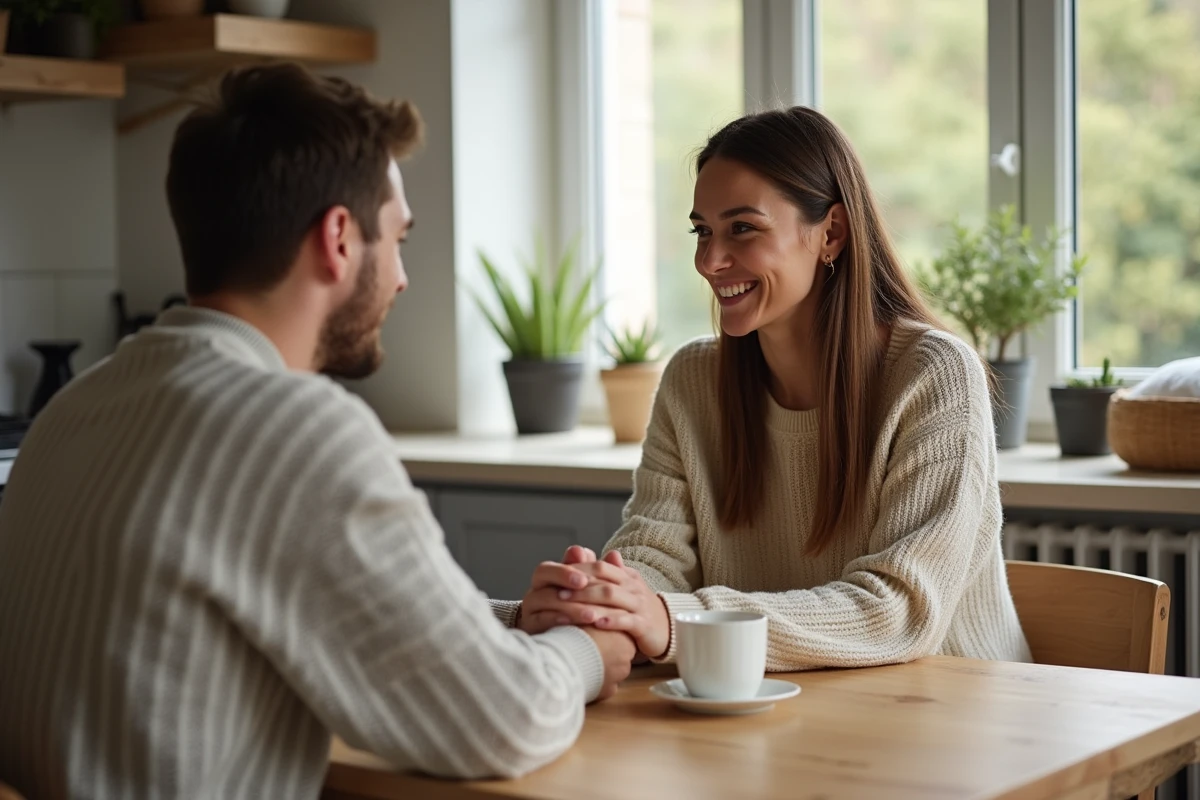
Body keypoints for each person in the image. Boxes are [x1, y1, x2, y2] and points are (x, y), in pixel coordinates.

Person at [0, 63, 634, 800]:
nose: (400, 277)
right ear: (338, 237)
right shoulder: (294, 429)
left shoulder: (75, 409)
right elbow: (505, 722)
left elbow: (319, 614)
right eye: (397, 237)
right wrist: (589, 648)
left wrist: (517, 623)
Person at [506, 106, 1032, 671]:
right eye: (702, 230)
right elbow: (654, 560)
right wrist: (606, 602)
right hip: (784, 710)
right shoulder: (692, 383)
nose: (709, 260)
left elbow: (897, 611)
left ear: (830, 232)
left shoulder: (933, 375)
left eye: (743, 229)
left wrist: (668, 618)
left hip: (957, 719)